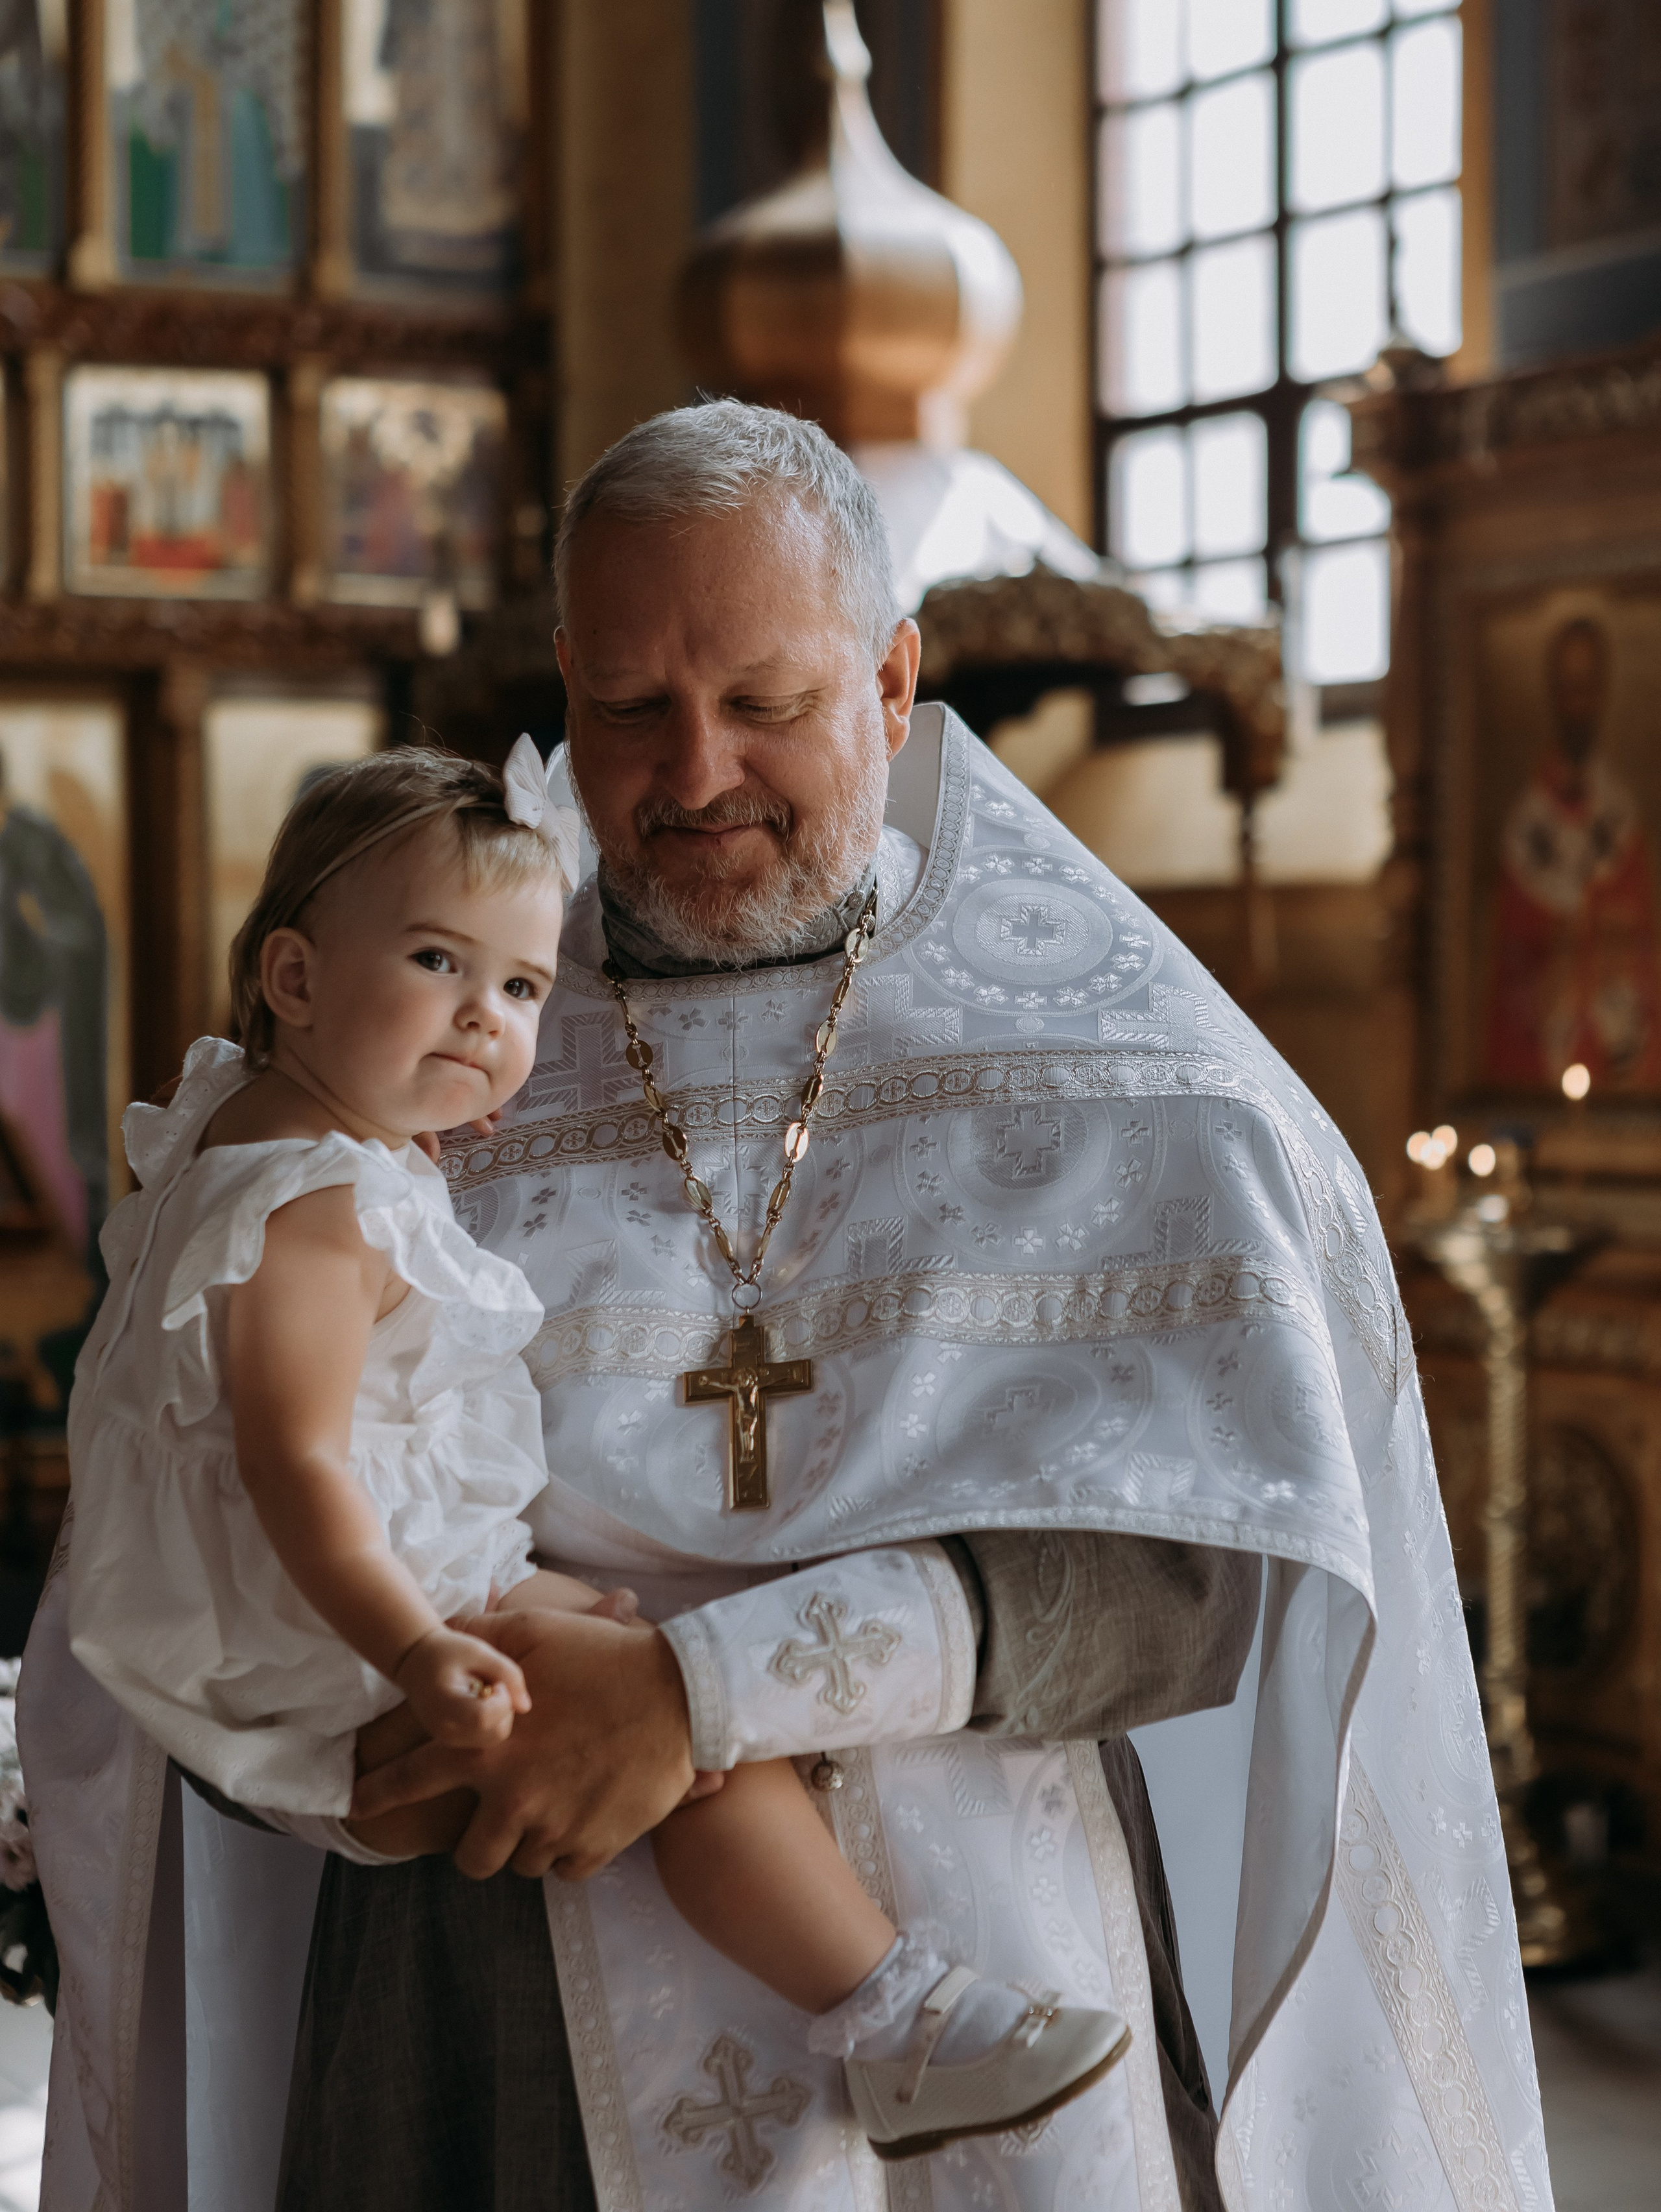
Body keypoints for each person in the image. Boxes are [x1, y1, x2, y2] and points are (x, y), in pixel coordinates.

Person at [24, 402, 1548, 2212]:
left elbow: (1196, 1582)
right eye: (628, 708)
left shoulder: (1119, 1070)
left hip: (987, 1948)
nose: (695, 774)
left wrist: (698, 1695)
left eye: (765, 701)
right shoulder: (416, 1041)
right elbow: (194, 1508)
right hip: (482, 1999)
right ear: (562, 687)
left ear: (891, 685)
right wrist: (326, 1760)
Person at [53, 738, 1129, 2170]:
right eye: (436, 962)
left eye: (519, 989)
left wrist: (416, 1108)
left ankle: (892, 2006)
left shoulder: (277, 1123)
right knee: (679, 1724)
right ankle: (897, 2016)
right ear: (294, 978)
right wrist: (419, 1651)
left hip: (339, 1608)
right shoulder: (313, 1204)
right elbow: (292, 1463)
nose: (483, 1018)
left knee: (639, 1661)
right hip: (344, 1638)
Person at [1483, 612, 1661, 1089]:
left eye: (1588, 686)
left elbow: (1645, 967)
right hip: (1538, 1075)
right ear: (1553, 694)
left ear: (1603, 693)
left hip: (1612, 1081)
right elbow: (1508, 985)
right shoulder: (1526, 833)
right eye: (1568, 687)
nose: (1578, 703)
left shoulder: (1623, 826)